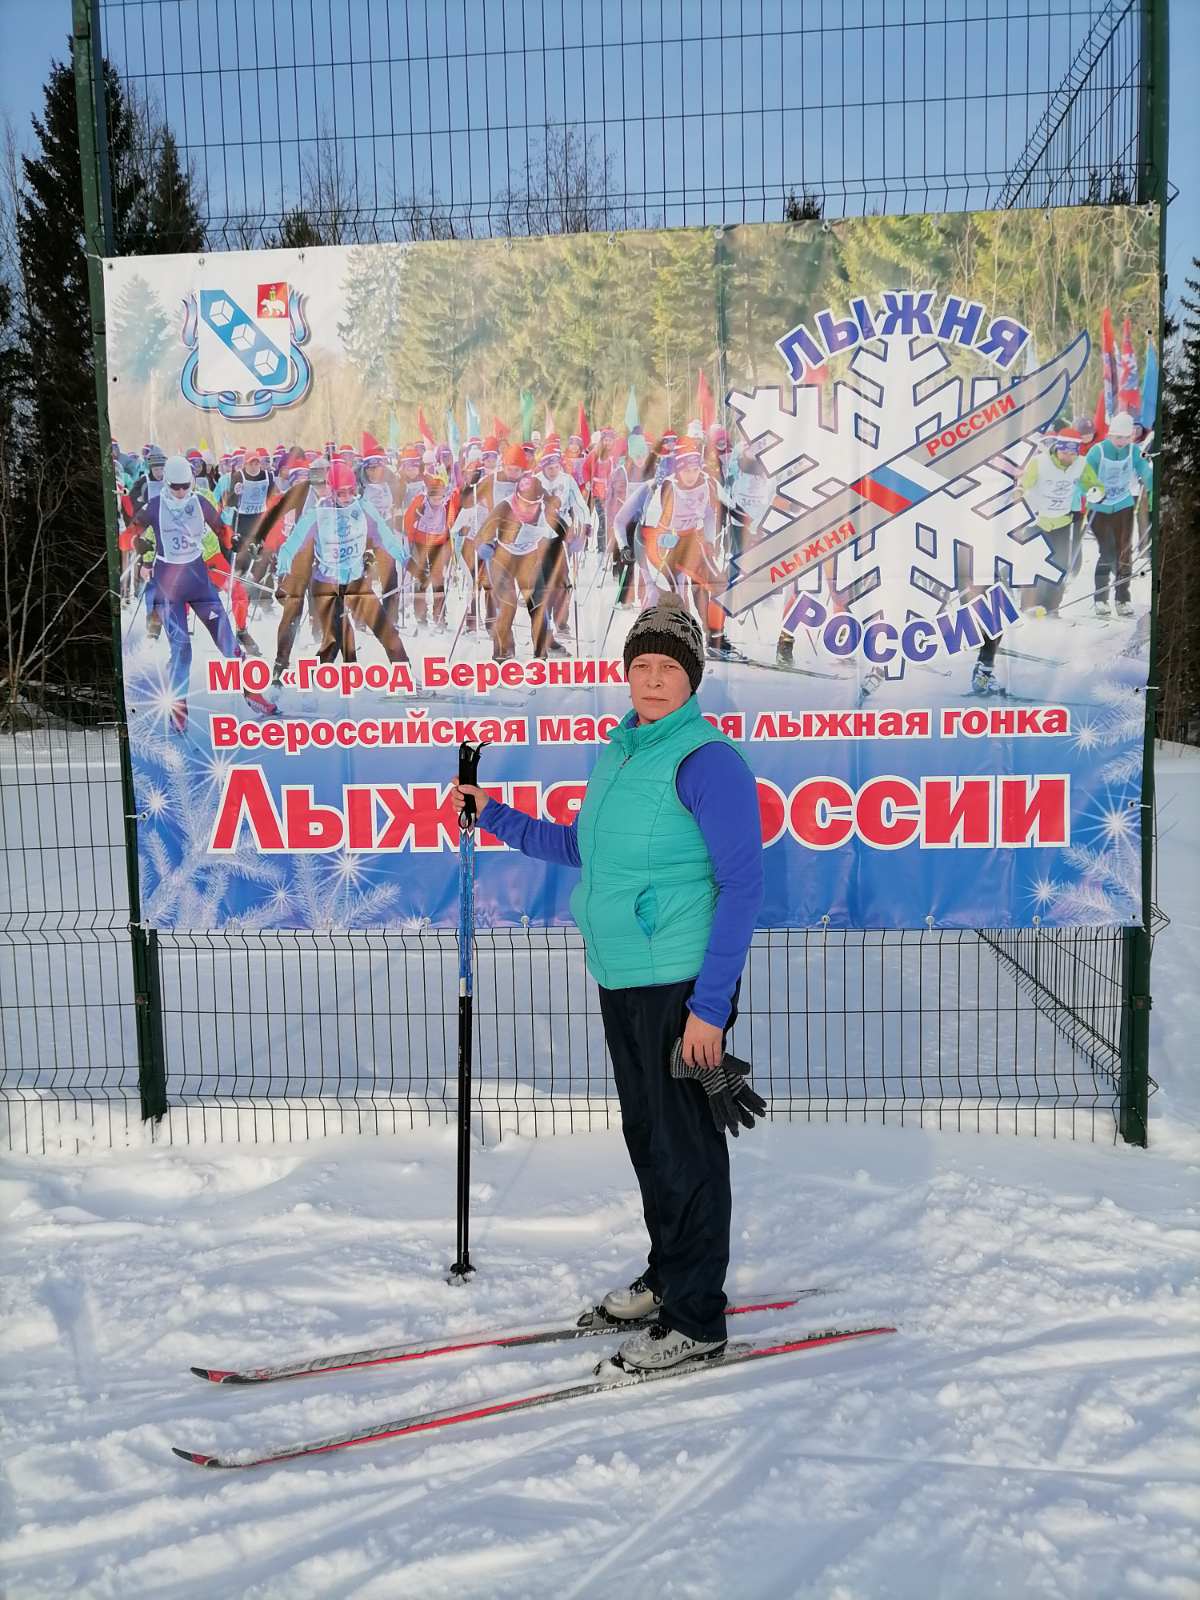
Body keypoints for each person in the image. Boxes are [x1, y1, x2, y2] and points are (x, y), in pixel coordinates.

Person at [451, 594, 766, 1373]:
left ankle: (697, 1319)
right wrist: (495, 814)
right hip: (622, 975)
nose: (652, 679)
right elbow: (584, 847)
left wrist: (709, 1010)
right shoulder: (623, 751)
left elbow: (743, 887)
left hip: (679, 983)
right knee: (649, 1137)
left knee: (686, 1150)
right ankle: (669, 1276)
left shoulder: (707, 762)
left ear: (692, 679)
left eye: (668, 668)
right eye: (641, 665)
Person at [1085, 411, 1153, 618]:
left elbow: (1145, 470)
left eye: (1125, 437)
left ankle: (1122, 598)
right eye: (1117, 437)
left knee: (1124, 552)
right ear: (1110, 434)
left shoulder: (1134, 451)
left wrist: (1152, 485)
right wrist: (1091, 489)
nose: (1121, 442)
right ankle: (1100, 598)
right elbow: (1085, 476)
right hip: (1099, 508)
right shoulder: (1097, 451)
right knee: (1107, 551)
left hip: (1123, 505)